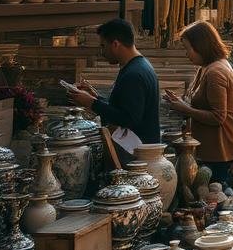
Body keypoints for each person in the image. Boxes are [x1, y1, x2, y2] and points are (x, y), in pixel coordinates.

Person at [66, 19, 161, 157]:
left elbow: (128, 119)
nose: (102, 52)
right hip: (137, 150)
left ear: (115, 44)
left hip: (137, 154)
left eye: (103, 46)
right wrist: (96, 97)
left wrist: (92, 103)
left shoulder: (134, 74)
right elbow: (124, 107)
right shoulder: (138, 66)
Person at [163, 21, 233, 184]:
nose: (187, 54)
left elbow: (218, 117)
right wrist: (180, 103)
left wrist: (186, 109)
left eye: (187, 48)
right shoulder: (205, 68)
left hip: (218, 152)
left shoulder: (216, 72)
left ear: (201, 46)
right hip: (206, 149)